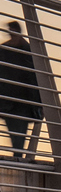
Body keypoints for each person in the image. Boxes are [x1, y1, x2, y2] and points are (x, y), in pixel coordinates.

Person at [0, 20, 42, 159]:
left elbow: (36, 78)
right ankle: (18, 157)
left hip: (22, 101)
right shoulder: (6, 50)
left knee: (18, 134)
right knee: (15, 132)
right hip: (8, 101)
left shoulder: (27, 51)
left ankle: (17, 158)